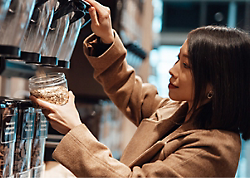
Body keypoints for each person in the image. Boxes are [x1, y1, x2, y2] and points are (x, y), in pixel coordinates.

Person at [30, 0, 250, 177]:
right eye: (177, 59)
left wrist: (74, 130)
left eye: (185, 65)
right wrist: (107, 39)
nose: (172, 71)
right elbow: (130, 91)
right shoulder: (184, 110)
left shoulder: (214, 150)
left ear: (216, 84)